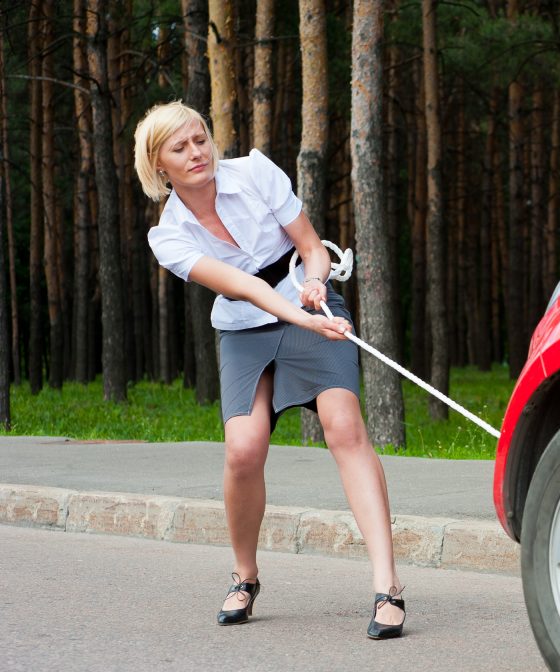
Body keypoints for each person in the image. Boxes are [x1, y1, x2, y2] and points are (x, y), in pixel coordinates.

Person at [133, 101, 406, 639]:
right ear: (158, 164)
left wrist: (316, 282)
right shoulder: (168, 236)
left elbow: (311, 247)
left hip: (309, 302)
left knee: (344, 427)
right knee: (243, 449)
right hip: (245, 327)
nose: (196, 153)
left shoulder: (255, 172)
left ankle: (388, 586)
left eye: (200, 139)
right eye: (180, 148)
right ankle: (245, 576)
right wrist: (302, 320)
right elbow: (244, 287)